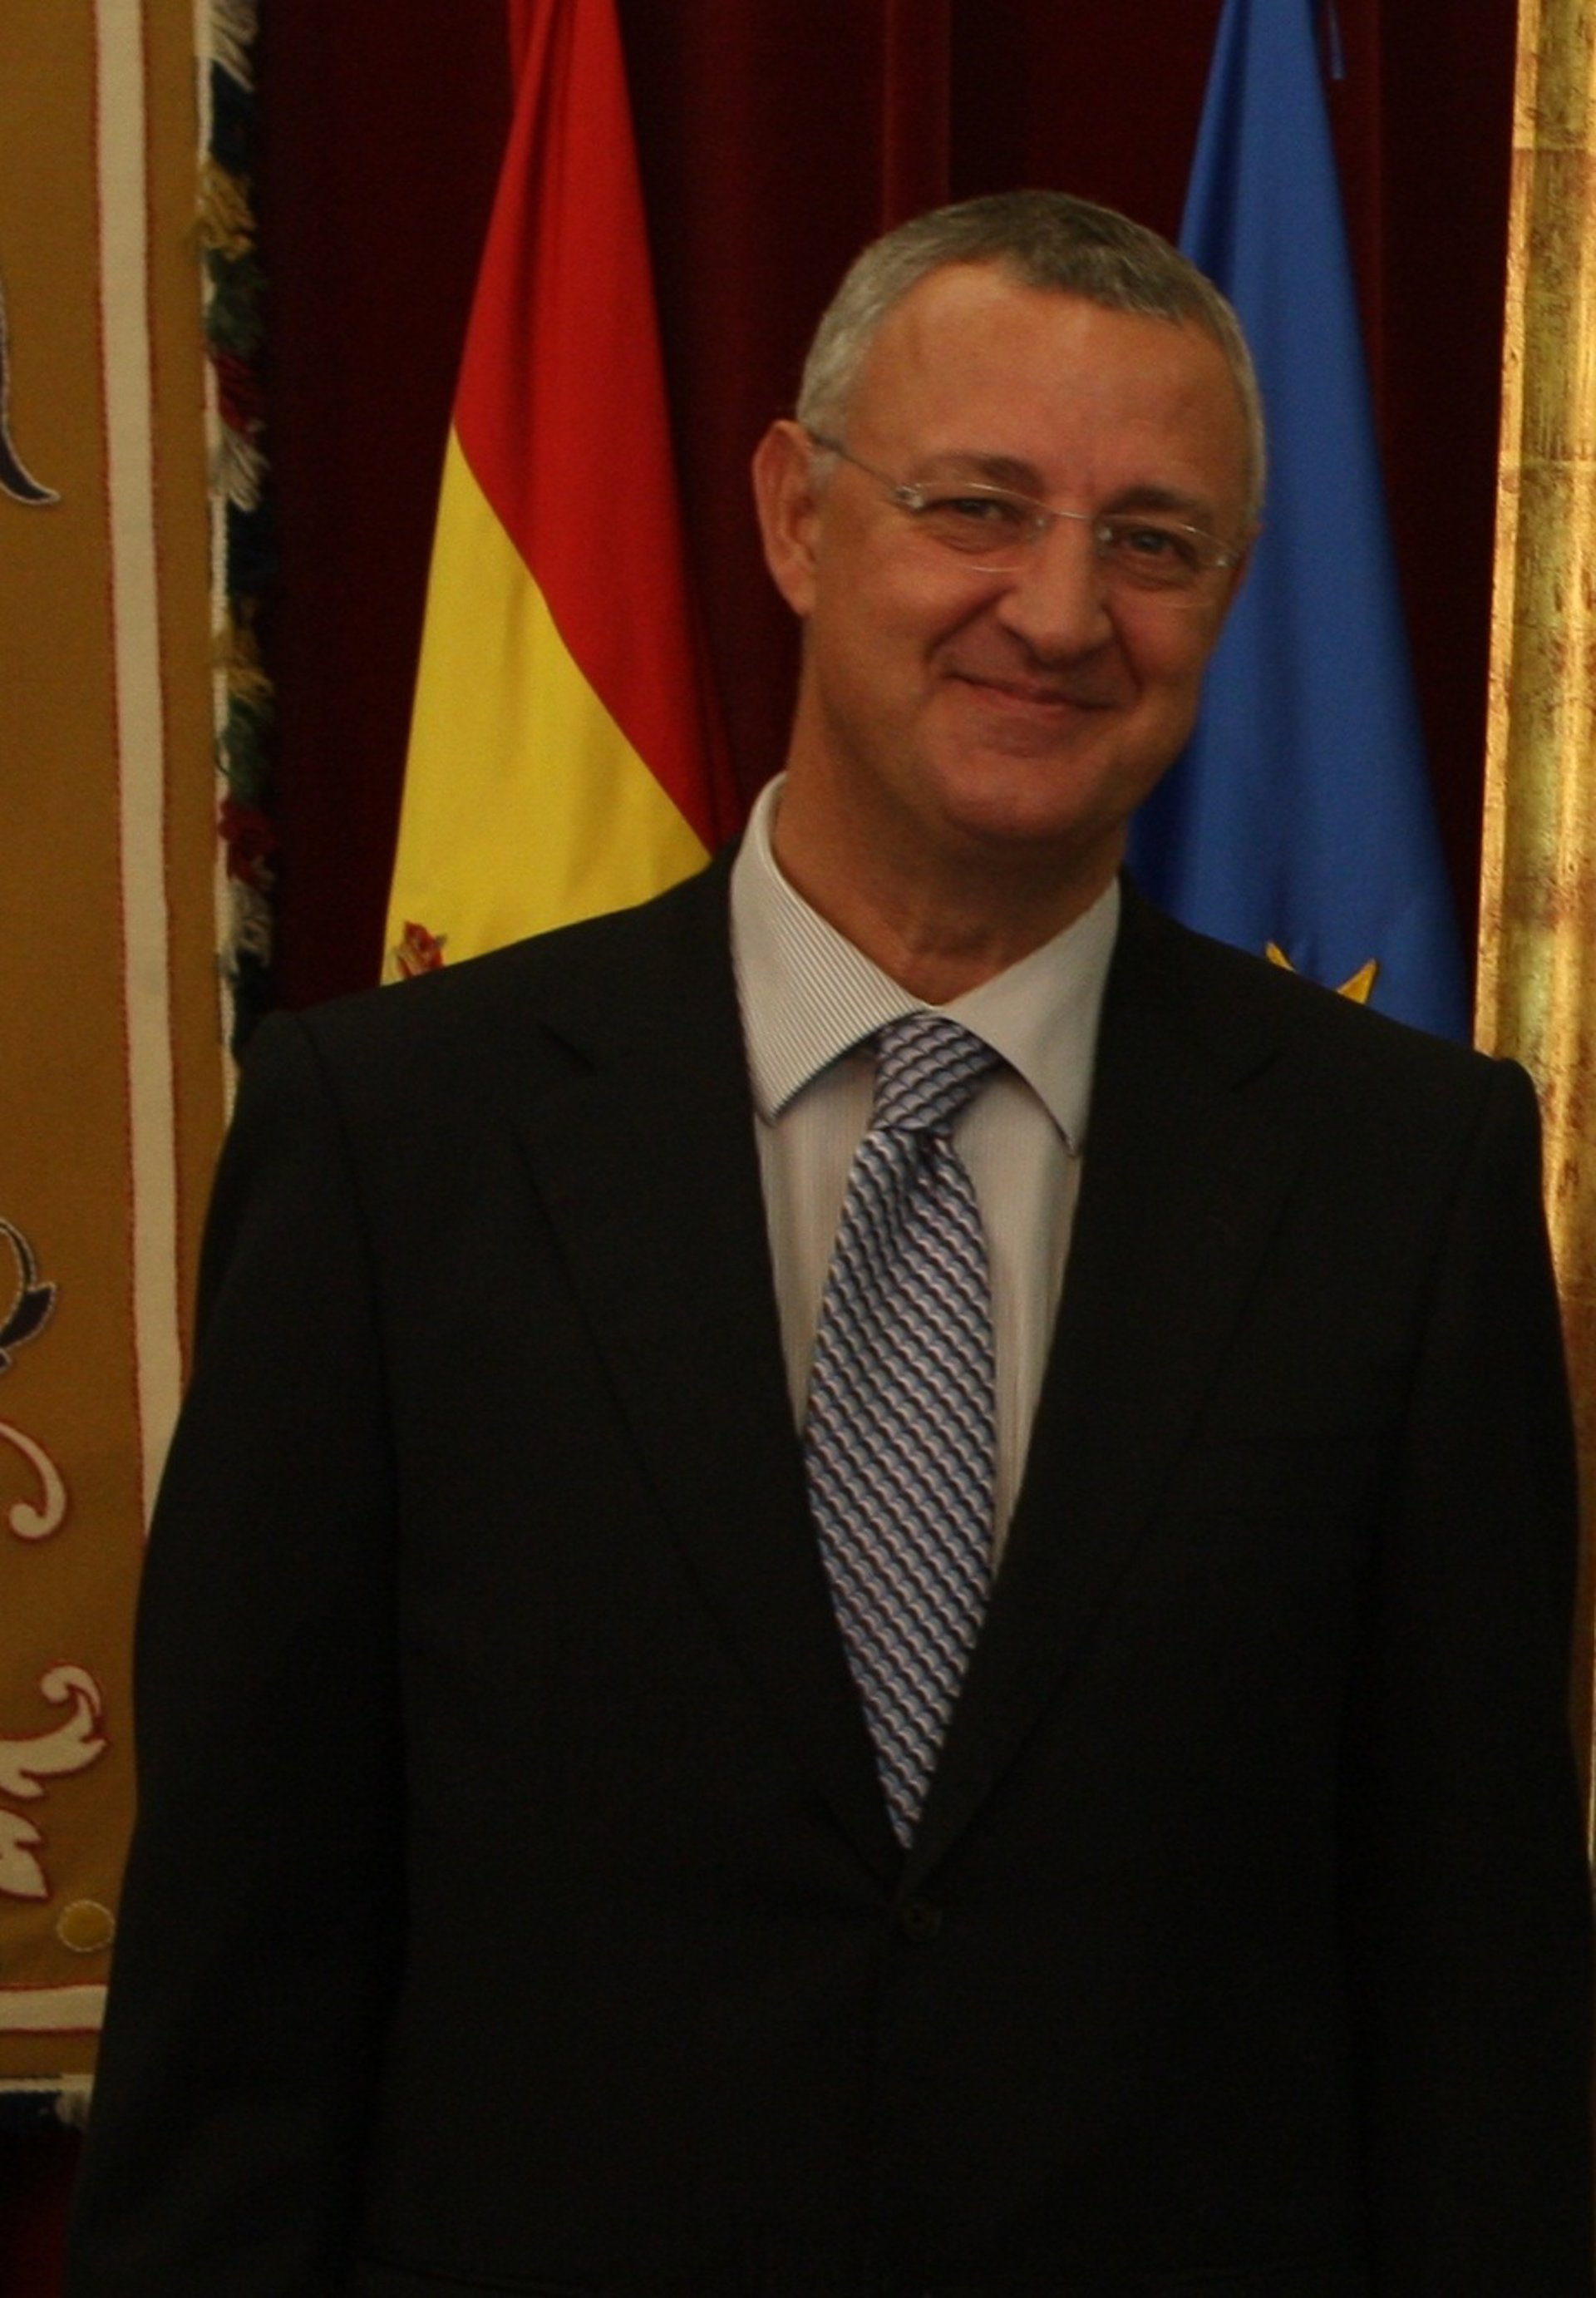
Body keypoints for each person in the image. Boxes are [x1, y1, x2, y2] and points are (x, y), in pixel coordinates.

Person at [68, 192, 1591, 2296]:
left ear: (1232, 591)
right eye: (979, 506)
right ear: (797, 513)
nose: (1060, 609)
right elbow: (242, 1974)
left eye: (1154, 540)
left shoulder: (1404, 1177)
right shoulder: (394, 1142)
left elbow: (1478, 1992)